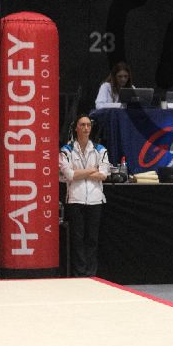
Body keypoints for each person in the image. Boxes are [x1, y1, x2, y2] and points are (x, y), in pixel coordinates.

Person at [59, 114, 110, 276]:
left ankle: (91, 274)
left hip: (95, 200)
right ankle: (79, 273)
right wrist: (92, 170)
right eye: (82, 125)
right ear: (76, 128)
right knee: (77, 239)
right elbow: (69, 175)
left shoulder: (100, 149)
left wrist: (80, 172)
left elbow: (103, 174)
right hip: (75, 199)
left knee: (92, 239)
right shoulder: (66, 150)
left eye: (88, 125)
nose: (86, 128)